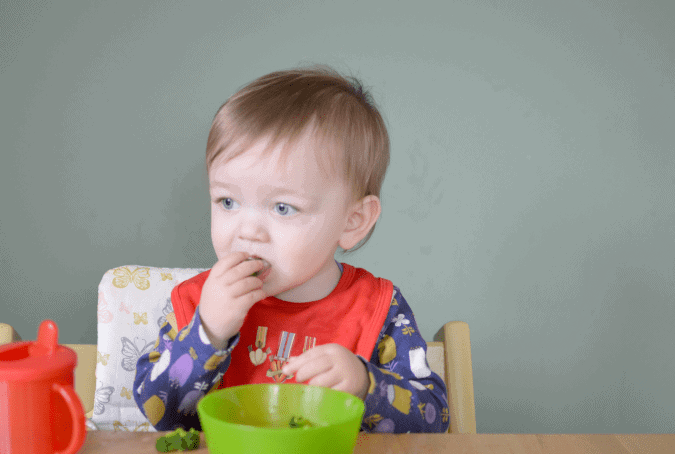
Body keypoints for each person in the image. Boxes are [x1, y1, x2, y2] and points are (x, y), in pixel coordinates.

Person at [134, 66, 449, 433]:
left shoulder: (378, 308)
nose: (247, 231)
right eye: (227, 201)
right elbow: (160, 413)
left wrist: (367, 386)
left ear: (353, 221)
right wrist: (208, 333)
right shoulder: (195, 304)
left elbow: (435, 419)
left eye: (283, 207)